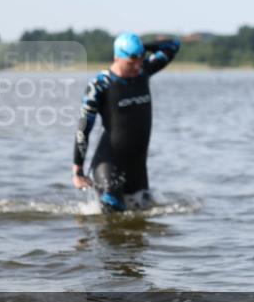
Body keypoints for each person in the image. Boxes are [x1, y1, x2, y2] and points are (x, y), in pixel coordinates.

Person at [71, 33, 180, 212]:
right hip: (108, 163)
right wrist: (77, 170)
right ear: (117, 57)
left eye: (140, 60)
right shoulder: (100, 84)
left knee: (142, 221)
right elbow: (84, 128)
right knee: (113, 213)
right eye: (131, 62)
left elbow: (173, 45)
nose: (137, 66)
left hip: (137, 166)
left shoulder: (143, 71)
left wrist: (141, 47)